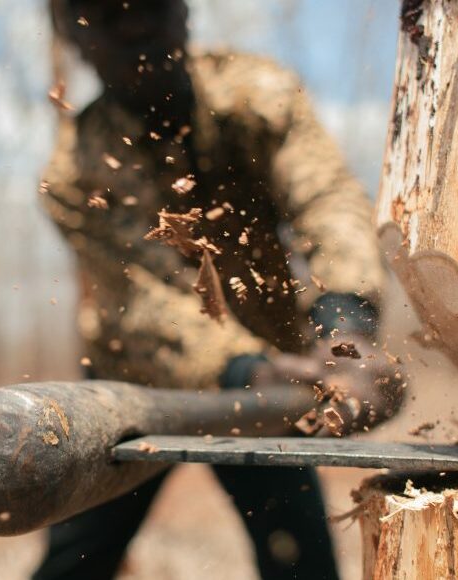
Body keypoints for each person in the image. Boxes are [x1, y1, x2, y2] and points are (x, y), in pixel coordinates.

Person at [34, 1, 395, 578]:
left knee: (297, 556)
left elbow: (326, 201)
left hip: (272, 376)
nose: (132, 24)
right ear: (72, 35)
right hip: (132, 384)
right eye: (105, 13)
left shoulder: (258, 95)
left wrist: (346, 326)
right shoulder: (73, 172)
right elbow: (143, 302)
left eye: (147, 4)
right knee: (77, 559)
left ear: (183, 12)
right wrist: (246, 368)